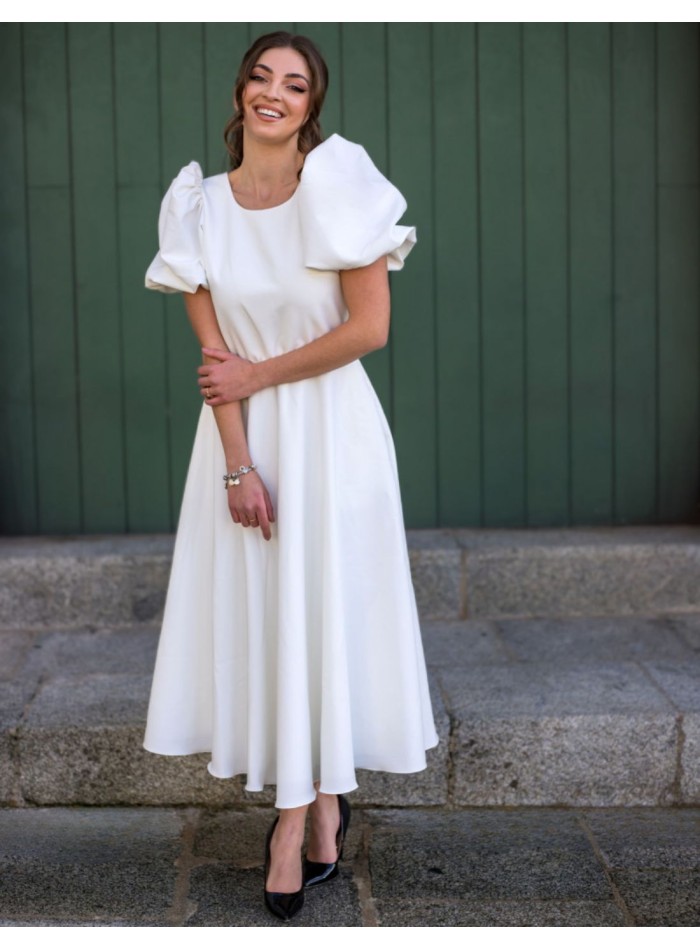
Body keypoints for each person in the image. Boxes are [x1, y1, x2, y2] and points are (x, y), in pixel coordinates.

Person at [144, 30, 438, 922]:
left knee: (323, 616)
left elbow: (369, 329)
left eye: (296, 84)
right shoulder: (197, 205)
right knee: (271, 622)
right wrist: (239, 464)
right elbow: (215, 357)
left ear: (313, 105)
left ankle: (293, 822)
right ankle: (317, 810)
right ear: (241, 95)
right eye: (262, 77)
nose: (275, 93)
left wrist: (257, 378)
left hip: (334, 432)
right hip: (240, 441)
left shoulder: (337, 183)